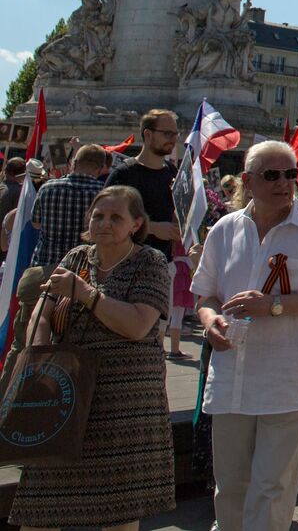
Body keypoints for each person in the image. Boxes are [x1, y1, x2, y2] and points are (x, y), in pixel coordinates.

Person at [192, 140, 298, 531]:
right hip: (231, 380)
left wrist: (274, 305)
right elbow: (206, 293)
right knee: (229, 489)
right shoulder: (225, 230)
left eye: (290, 174)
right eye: (272, 175)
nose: (284, 183)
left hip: (286, 381)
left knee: (272, 490)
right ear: (247, 180)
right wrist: (210, 319)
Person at [6, 186, 176, 530]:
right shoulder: (76, 257)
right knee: (40, 508)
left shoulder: (150, 262)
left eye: (116, 217)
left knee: (119, 511)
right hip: (64, 398)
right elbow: (42, 312)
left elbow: (137, 325)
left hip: (123, 407)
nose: (104, 223)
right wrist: (40, 364)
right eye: (98, 215)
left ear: (136, 224)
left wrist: (84, 293)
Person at [0, 142, 105, 393]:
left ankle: (6, 396)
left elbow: (35, 225)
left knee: (23, 341)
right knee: (72, 344)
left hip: (42, 270)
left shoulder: (48, 188)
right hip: (81, 277)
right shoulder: (103, 193)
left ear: (74, 163)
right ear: (100, 168)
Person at [105, 109, 185, 357]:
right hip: (126, 270)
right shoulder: (124, 173)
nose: (173, 138)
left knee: (154, 342)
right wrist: (152, 228)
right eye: (167, 133)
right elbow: (105, 220)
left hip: (161, 268)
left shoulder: (173, 174)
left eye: (175, 133)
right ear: (147, 135)